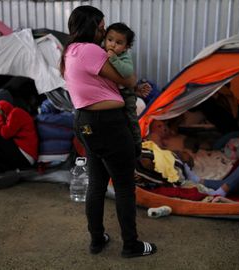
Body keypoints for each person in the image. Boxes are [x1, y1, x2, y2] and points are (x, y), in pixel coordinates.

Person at [61, 6, 157, 258]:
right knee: (125, 187)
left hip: (85, 122)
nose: (104, 34)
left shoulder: (70, 51)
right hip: (109, 124)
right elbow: (127, 79)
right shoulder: (92, 50)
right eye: (102, 28)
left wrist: (131, 90)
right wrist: (133, 86)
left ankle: (97, 239)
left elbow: (103, 84)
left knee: (97, 184)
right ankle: (131, 245)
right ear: (90, 26)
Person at [103, 22, 150, 155]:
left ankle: (137, 145)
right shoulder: (101, 52)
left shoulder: (124, 57)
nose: (112, 45)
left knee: (131, 118)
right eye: (110, 40)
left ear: (126, 47)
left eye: (118, 43)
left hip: (126, 93)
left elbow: (127, 72)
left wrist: (114, 60)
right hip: (112, 93)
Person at [0, 100, 38, 177]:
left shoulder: (16, 112)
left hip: (26, 156)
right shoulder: (10, 116)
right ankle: (0, 171)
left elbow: (6, 133)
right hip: (21, 154)